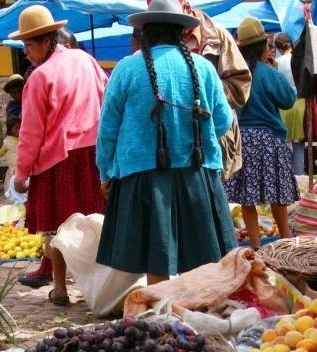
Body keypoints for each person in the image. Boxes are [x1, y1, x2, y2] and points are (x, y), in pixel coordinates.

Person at [95, 0, 236, 286]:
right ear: (183, 33)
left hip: (141, 176)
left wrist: (105, 172)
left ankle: (159, 320)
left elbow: (107, 128)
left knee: (154, 256)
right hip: (197, 174)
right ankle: (193, 314)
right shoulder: (204, 69)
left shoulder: (126, 69)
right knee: (198, 256)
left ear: (144, 32)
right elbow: (222, 122)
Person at [9, 5, 108, 302]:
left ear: (45, 41)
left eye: (28, 45)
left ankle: (62, 288)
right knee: (96, 222)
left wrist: (21, 173)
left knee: (58, 228)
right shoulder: (86, 60)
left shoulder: (39, 78)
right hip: (93, 154)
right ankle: (101, 286)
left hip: (58, 161)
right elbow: (106, 97)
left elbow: (31, 132)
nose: (26, 52)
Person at [223, 17, 297, 251]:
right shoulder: (269, 73)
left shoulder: (234, 75)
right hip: (268, 140)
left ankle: (255, 245)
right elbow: (288, 100)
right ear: (263, 47)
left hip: (242, 140)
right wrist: (273, 69)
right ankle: (285, 240)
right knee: (277, 195)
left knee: (247, 198)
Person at [179, 0, 251, 181]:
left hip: (215, 141)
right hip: (176, 145)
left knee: (214, 203)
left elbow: (240, 86)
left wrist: (204, 93)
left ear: (186, 7)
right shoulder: (156, 40)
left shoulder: (216, 37)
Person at [275, 32, 306, 175]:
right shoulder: (300, 60)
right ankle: (299, 175)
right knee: (299, 143)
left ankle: (285, 174)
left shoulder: (277, 63)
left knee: (283, 143)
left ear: (279, 48)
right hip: (300, 104)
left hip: (283, 106)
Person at [0, 115, 20, 195]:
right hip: (12, 170)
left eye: (20, 127)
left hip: (22, 169)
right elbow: (1, 152)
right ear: (10, 129)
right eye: (15, 128)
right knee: (12, 189)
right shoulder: (7, 141)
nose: (18, 130)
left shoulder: (24, 139)